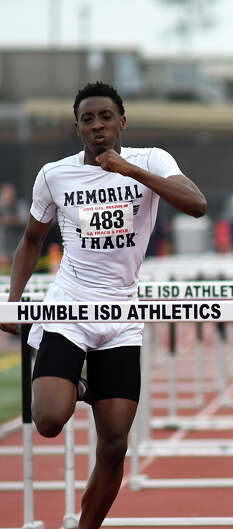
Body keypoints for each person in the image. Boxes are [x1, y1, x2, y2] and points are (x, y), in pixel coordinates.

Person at [1, 81, 207, 529]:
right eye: (89, 120)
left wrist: (130, 171)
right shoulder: (54, 175)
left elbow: (197, 205)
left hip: (122, 316)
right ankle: (75, 381)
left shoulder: (153, 160)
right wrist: (13, 305)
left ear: (122, 123)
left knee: (114, 445)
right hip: (70, 308)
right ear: (77, 127)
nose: (98, 127)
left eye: (106, 117)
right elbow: (32, 240)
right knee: (49, 420)